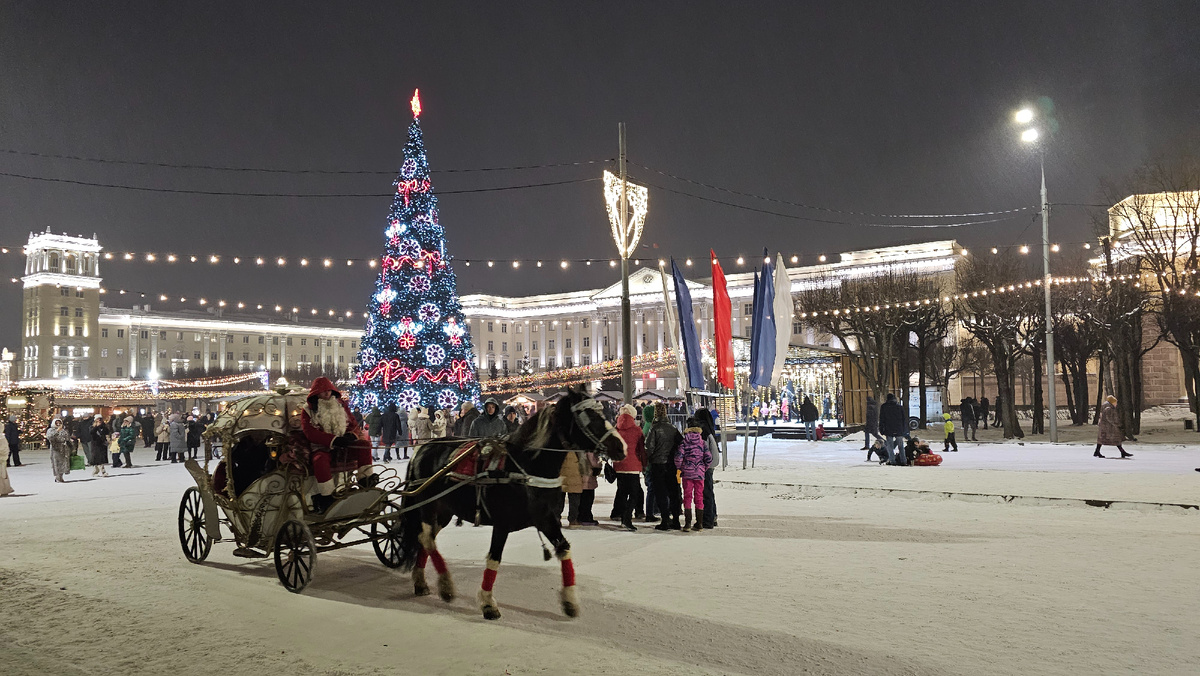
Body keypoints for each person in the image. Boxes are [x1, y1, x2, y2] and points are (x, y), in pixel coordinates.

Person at [301, 377, 376, 513]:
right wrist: (333, 440)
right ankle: (327, 496)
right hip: (322, 447)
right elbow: (310, 433)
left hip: (344, 446)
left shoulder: (341, 405)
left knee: (364, 445)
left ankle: (365, 480)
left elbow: (353, 424)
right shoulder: (308, 410)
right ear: (316, 393)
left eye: (329, 391)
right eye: (323, 391)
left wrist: (351, 435)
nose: (327, 394)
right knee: (320, 460)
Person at [645, 402, 683, 531]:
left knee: (661, 493)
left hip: (658, 465)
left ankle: (665, 520)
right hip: (671, 465)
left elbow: (649, 448)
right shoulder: (672, 428)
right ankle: (676, 520)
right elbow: (681, 443)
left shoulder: (654, 429)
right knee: (673, 492)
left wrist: (648, 460)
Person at [611, 404, 646, 531]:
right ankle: (627, 518)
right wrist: (644, 463)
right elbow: (641, 449)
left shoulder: (616, 430)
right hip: (633, 465)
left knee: (622, 491)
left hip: (619, 465)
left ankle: (619, 515)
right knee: (634, 493)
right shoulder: (637, 430)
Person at [675, 418, 713, 531]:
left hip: (687, 473)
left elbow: (678, 457)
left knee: (687, 497)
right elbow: (709, 458)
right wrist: (703, 468)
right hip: (699, 474)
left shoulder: (684, 442)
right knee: (699, 497)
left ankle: (687, 524)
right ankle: (699, 523)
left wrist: (680, 467)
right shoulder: (702, 442)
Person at [693, 407, 720, 529]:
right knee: (709, 490)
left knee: (705, 492)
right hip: (711, 464)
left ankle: (708, 519)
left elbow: (702, 450)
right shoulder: (709, 428)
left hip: (705, 465)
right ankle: (712, 516)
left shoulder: (702, 430)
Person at [879, 393, 908, 466]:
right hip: (899, 429)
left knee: (890, 446)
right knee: (901, 446)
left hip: (888, 429)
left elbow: (882, 419)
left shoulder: (884, 407)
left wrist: (881, 429)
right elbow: (904, 419)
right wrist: (904, 429)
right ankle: (903, 460)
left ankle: (892, 461)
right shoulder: (899, 407)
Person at [46, 418, 73, 483]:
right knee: (57, 463)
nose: (58, 424)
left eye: (59, 423)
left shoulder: (63, 430)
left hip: (64, 448)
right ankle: (58, 477)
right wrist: (57, 431)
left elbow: (67, 437)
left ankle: (61, 476)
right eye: (57, 423)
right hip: (56, 449)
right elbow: (49, 437)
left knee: (63, 463)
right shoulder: (51, 430)